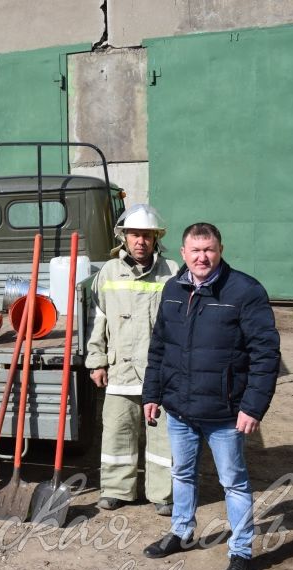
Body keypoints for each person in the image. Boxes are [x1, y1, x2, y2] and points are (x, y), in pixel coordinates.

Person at [142, 222, 280, 570]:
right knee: (182, 473)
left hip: (225, 412)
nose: (202, 257)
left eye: (209, 250)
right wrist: (152, 393)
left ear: (219, 251)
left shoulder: (244, 291)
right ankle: (182, 530)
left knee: (233, 482)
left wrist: (253, 406)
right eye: (195, 250)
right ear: (183, 254)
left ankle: (241, 553)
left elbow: (265, 355)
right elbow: (160, 348)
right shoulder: (173, 288)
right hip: (180, 408)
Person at [86, 203, 178, 516]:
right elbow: (99, 319)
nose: (140, 241)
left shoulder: (173, 272)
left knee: (163, 438)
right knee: (116, 432)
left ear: (156, 239)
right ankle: (116, 490)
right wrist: (96, 360)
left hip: (160, 372)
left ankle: (162, 494)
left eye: (147, 235)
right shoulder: (108, 273)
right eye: (134, 234)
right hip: (120, 369)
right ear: (124, 238)